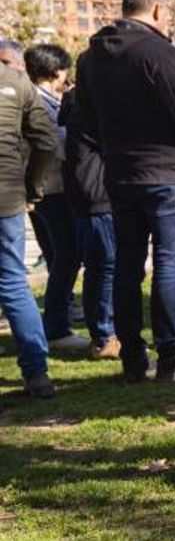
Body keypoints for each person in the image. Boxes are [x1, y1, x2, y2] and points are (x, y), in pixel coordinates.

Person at [74, 0, 175, 382]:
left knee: (128, 267)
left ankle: (133, 355)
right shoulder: (158, 51)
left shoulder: (90, 59)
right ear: (155, 11)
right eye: (166, 15)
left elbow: (87, 118)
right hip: (168, 172)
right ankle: (172, 354)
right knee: (168, 263)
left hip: (121, 173)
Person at [24, 44, 90, 350]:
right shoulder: (39, 102)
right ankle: (57, 327)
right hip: (52, 188)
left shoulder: (47, 99)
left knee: (64, 256)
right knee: (66, 256)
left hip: (51, 187)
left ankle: (58, 321)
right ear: (56, 71)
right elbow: (51, 142)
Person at [0, 60, 59, 397]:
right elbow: (47, 141)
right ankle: (37, 373)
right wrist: (32, 188)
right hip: (7, 195)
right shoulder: (17, 81)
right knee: (12, 282)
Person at [60, 54, 119, 360]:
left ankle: (103, 333)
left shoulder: (75, 104)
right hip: (99, 195)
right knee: (106, 266)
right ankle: (105, 334)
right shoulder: (93, 108)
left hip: (85, 195)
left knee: (97, 267)